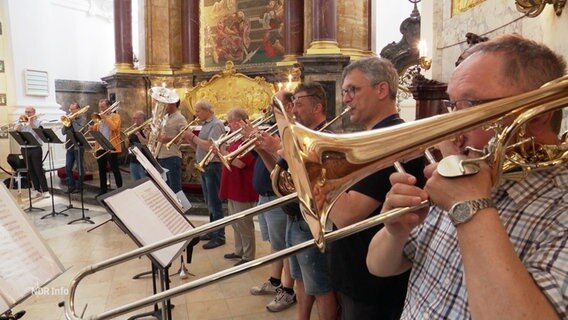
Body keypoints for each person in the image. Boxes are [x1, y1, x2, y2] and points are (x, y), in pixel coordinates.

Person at [366, 34, 568, 319]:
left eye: (470, 105)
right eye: (451, 106)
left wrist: (470, 207)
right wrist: (395, 232)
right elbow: (378, 266)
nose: (450, 129)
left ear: (536, 115)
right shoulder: (464, 170)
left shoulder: (561, 207)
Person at [320, 57, 425, 320]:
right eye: (344, 91)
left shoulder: (391, 141)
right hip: (359, 269)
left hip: (372, 281)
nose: (346, 99)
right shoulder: (371, 140)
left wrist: (310, 174)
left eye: (353, 90)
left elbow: (346, 215)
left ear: (381, 90)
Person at [286, 82, 337, 320]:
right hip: (295, 217)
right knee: (300, 278)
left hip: (314, 221)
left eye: (299, 104)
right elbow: (283, 182)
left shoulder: (328, 137)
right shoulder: (298, 135)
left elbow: (324, 182)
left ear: (317, 107)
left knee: (321, 286)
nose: (293, 110)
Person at [246, 90, 296, 313]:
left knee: (285, 247)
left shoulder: (291, 131)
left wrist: (272, 147)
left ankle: (287, 290)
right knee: (277, 246)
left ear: (290, 106)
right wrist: (257, 144)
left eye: (276, 104)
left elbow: (289, 171)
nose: (271, 107)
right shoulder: (276, 128)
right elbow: (270, 163)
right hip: (266, 193)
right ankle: (276, 281)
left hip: (278, 196)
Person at [183, 100, 226, 249]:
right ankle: (212, 230)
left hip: (213, 166)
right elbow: (200, 147)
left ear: (207, 110)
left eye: (198, 111)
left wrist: (193, 137)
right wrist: (190, 140)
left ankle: (219, 236)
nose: (196, 114)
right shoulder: (206, 125)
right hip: (204, 166)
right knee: (209, 201)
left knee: (214, 202)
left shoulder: (216, 124)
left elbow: (211, 146)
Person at [218, 108, 258, 266]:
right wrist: (221, 152)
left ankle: (248, 255)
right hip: (232, 185)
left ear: (240, 122)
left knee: (244, 223)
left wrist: (221, 152)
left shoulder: (248, 140)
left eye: (230, 121)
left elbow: (241, 163)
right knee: (235, 222)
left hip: (243, 187)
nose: (228, 124)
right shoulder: (234, 138)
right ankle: (239, 250)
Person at [89, 99, 122, 196]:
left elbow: (114, 128)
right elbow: (96, 129)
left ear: (108, 107)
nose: (101, 109)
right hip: (100, 146)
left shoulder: (116, 116)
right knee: (101, 169)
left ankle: (120, 189)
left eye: (103, 107)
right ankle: (102, 190)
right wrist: (92, 129)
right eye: (100, 107)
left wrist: (106, 117)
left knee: (115, 168)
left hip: (112, 146)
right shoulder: (100, 118)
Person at [15, 106, 49, 198]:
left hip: (35, 148)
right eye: (26, 112)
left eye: (29, 112)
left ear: (34, 112)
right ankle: (36, 189)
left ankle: (45, 190)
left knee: (38, 170)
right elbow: (17, 131)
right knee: (30, 170)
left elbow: (40, 133)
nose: (27, 114)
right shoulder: (22, 121)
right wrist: (21, 123)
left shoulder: (39, 122)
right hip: (24, 148)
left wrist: (31, 123)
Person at [156, 100, 187, 193]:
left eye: (166, 103)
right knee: (165, 188)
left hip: (172, 156)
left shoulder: (180, 118)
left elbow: (185, 138)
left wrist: (168, 139)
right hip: (161, 155)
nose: (164, 106)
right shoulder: (165, 117)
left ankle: (181, 207)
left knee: (175, 187)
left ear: (173, 104)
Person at [61, 102, 87, 193]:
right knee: (68, 167)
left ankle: (80, 187)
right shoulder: (68, 119)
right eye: (70, 109)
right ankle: (71, 186)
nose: (70, 111)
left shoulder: (82, 119)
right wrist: (66, 122)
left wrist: (73, 120)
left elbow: (78, 130)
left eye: (72, 109)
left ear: (78, 110)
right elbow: (63, 132)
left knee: (79, 167)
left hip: (79, 145)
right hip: (69, 145)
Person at [128, 110, 149, 181]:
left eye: (136, 118)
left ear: (142, 119)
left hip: (143, 161)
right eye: (133, 118)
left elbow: (146, 143)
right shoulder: (132, 129)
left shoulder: (147, 129)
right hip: (133, 160)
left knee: (145, 183)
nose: (134, 120)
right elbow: (130, 144)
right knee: (135, 184)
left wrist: (138, 133)